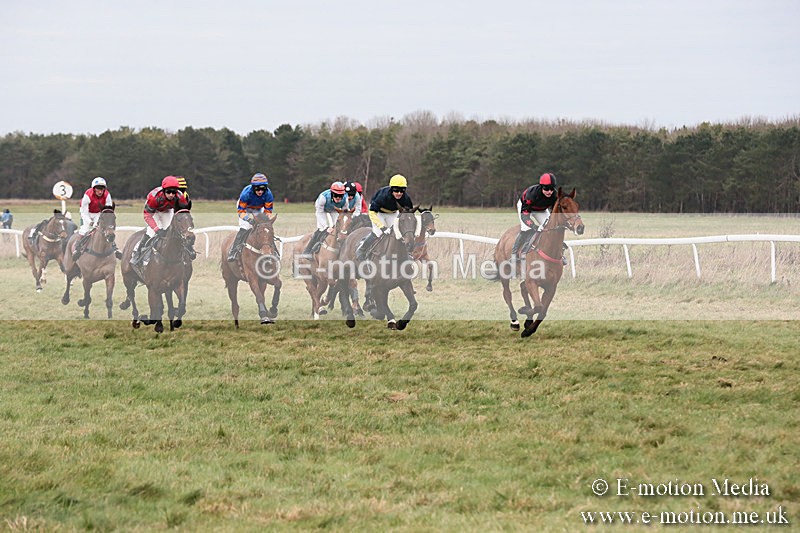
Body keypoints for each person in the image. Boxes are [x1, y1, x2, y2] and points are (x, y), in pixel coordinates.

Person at [131, 175, 189, 268]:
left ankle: (183, 253)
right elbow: (147, 216)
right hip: (154, 212)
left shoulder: (179, 196)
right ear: (163, 191)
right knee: (151, 232)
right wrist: (157, 229)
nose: (171, 195)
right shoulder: (153, 197)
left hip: (167, 210)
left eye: (173, 192)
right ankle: (137, 253)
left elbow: (183, 213)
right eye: (168, 192)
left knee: (171, 232)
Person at [356, 174, 413, 261]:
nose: (399, 193)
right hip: (378, 212)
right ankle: (362, 249)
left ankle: (406, 254)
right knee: (378, 232)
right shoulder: (382, 196)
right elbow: (372, 213)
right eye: (396, 190)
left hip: (393, 213)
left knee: (397, 233)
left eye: (402, 190)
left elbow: (409, 215)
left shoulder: (406, 199)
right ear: (391, 189)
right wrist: (382, 227)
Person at [512, 172, 564, 264]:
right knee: (526, 228)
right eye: (546, 189)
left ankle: (557, 252)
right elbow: (525, 216)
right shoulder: (531, 195)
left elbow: (555, 214)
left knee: (550, 227)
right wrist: (535, 226)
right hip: (526, 207)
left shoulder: (554, 196)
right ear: (541, 187)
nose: (549, 192)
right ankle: (514, 254)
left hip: (541, 209)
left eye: (552, 189)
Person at [227, 173, 274, 262]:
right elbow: (241, 212)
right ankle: (233, 252)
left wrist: (264, 222)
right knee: (245, 227)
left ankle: (274, 252)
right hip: (245, 208)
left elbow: (268, 211)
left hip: (259, 207)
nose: (260, 191)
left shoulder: (268, 194)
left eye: (263, 188)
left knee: (265, 228)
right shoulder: (246, 194)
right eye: (257, 189)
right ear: (253, 187)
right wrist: (249, 219)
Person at [72, 177, 121, 260]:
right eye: (98, 189)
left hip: (99, 213)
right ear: (94, 189)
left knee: (105, 229)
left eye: (102, 189)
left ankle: (115, 249)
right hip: (87, 213)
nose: (100, 191)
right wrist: (90, 222)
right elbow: (84, 212)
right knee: (85, 229)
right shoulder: (87, 195)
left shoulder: (107, 194)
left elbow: (108, 209)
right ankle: (77, 249)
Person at [303, 181, 348, 255]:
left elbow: (344, 213)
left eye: (340, 196)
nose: (338, 198)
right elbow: (319, 213)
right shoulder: (323, 198)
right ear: (332, 193)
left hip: (334, 210)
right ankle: (308, 250)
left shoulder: (345, 199)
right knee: (322, 228)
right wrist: (326, 227)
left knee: (338, 227)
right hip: (322, 210)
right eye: (336, 195)